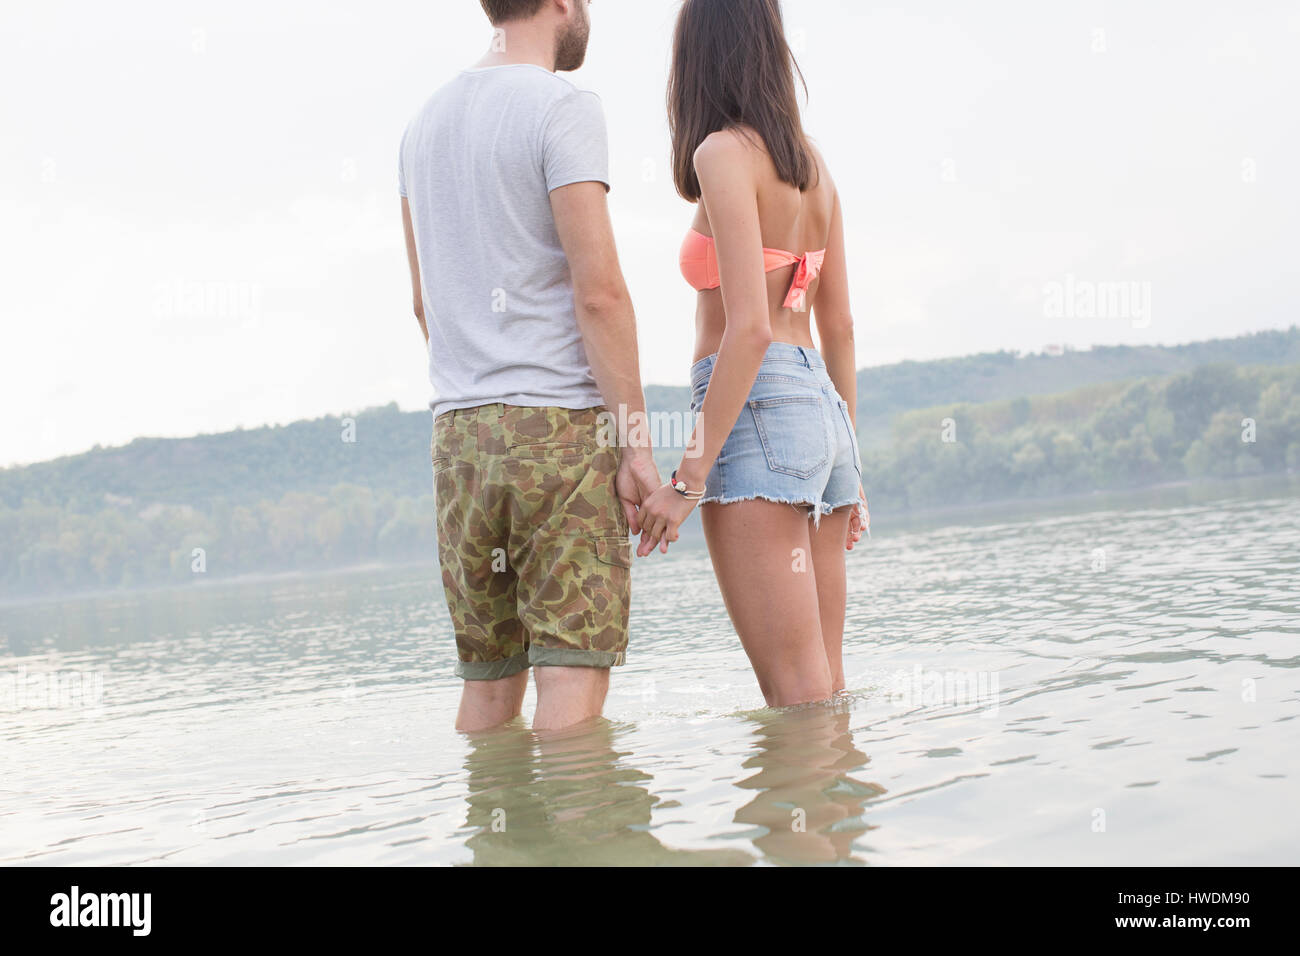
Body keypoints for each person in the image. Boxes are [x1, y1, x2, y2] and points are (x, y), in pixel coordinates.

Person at [398, 0, 661, 732]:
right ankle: (574, 836)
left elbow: (424, 303)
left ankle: (499, 839)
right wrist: (636, 447)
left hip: (458, 440)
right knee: (570, 683)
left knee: (487, 687)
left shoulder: (422, 126)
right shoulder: (562, 108)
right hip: (559, 430)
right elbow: (600, 292)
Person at [635, 0, 869, 708]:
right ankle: (829, 817)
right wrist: (850, 468)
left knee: (795, 702)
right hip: (823, 417)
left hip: (759, 410)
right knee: (824, 693)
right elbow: (843, 327)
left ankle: (790, 819)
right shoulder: (813, 167)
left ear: (696, 60)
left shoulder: (721, 155)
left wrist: (687, 479)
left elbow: (750, 330)